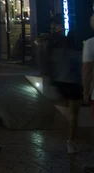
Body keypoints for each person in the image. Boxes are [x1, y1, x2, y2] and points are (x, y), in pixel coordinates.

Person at [46, 15, 82, 154]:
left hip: (59, 82)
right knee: (73, 113)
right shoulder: (77, 53)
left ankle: (60, 135)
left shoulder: (57, 51)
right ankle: (70, 140)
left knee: (63, 110)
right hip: (72, 83)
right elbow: (81, 69)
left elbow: (51, 65)